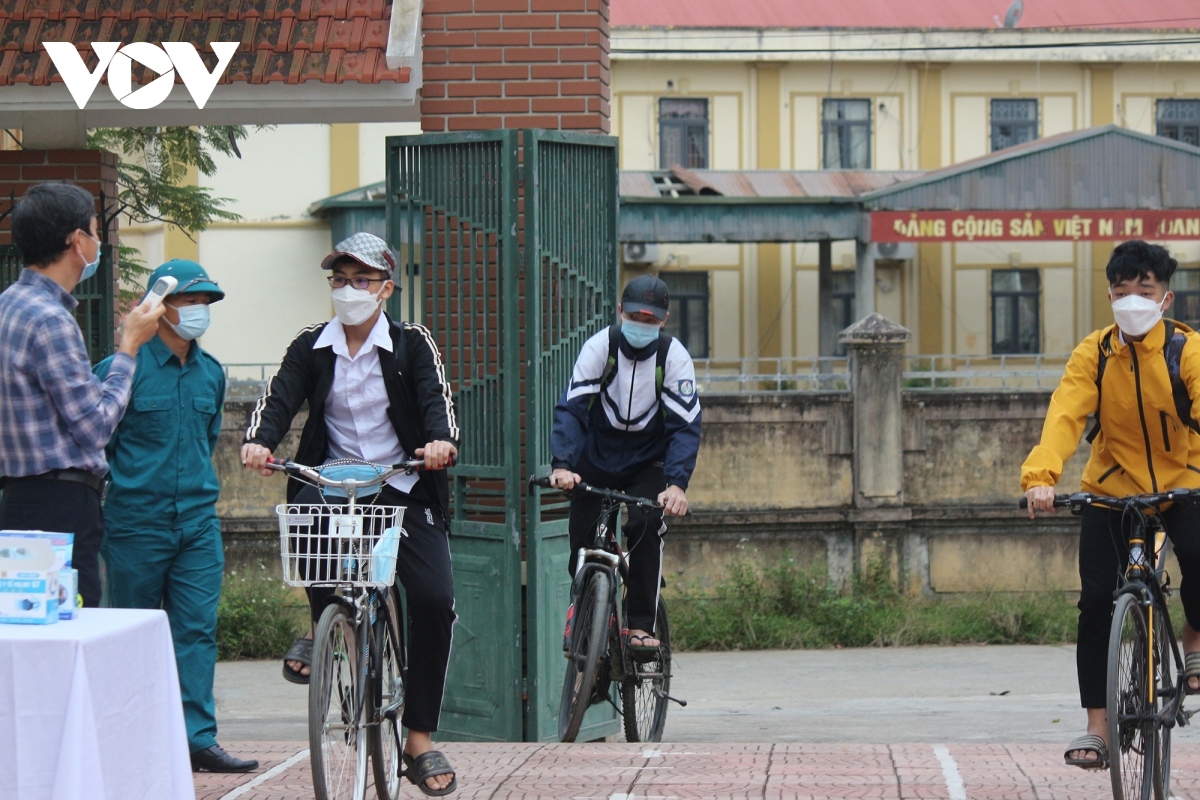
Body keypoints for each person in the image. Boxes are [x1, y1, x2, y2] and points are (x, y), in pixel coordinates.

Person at [240, 232, 459, 795]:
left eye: (361, 279)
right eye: (339, 279)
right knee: (310, 523)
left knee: (434, 599)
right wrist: (259, 442)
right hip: (333, 478)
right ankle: (325, 627)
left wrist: (439, 443)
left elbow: (438, 405)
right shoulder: (311, 345)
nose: (348, 290)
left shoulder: (412, 344)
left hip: (400, 482)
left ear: (386, 289)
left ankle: (419, 740)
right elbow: (280, 397)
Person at [1022, 240, 1200, 771]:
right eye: (1122, 292)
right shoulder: (1094, 353)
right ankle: (1097, 728)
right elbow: (1065, 416)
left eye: (1144, 290)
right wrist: (1041, 476)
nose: (1133, 301)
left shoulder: (1186, 350)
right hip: (1110, 489)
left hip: (1183, 484)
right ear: (1110, 296)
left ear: (1165, 299)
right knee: (1097, 601)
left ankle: (1194, 639)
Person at [95, 260, 258, 774]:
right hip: (133, 524)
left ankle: (196, 739)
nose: (198, 311)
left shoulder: (211, 373)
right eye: (188, 301)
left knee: (195, 630)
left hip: (197, 523)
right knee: (130, 632)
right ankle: (131, 737)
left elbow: (208, 441)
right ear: (158, 306)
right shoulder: (120, 368)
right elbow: (99, 442)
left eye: (205, 302)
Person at [0, 182, 165, 607]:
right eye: (94, 231)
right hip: (62, 503)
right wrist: (128, 348)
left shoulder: (8, 306)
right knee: (71, 627)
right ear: (77, 241)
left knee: (26, 629)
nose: (97, 242)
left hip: (18, 497)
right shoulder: (51, 320)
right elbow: (94, 427)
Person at [549, 274, 701, 650]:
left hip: (646, 462)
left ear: (663, 320)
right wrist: (562, 464)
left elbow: (684, 427)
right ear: (620, 312)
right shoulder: (600, 347)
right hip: (594, 457)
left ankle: (639, 627)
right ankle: (585, 611)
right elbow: (572, 408)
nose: (641, 326)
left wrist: (677, 484)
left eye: (650, 321)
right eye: (635, 318)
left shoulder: (674, 358)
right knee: (582, 536)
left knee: (647, 524)